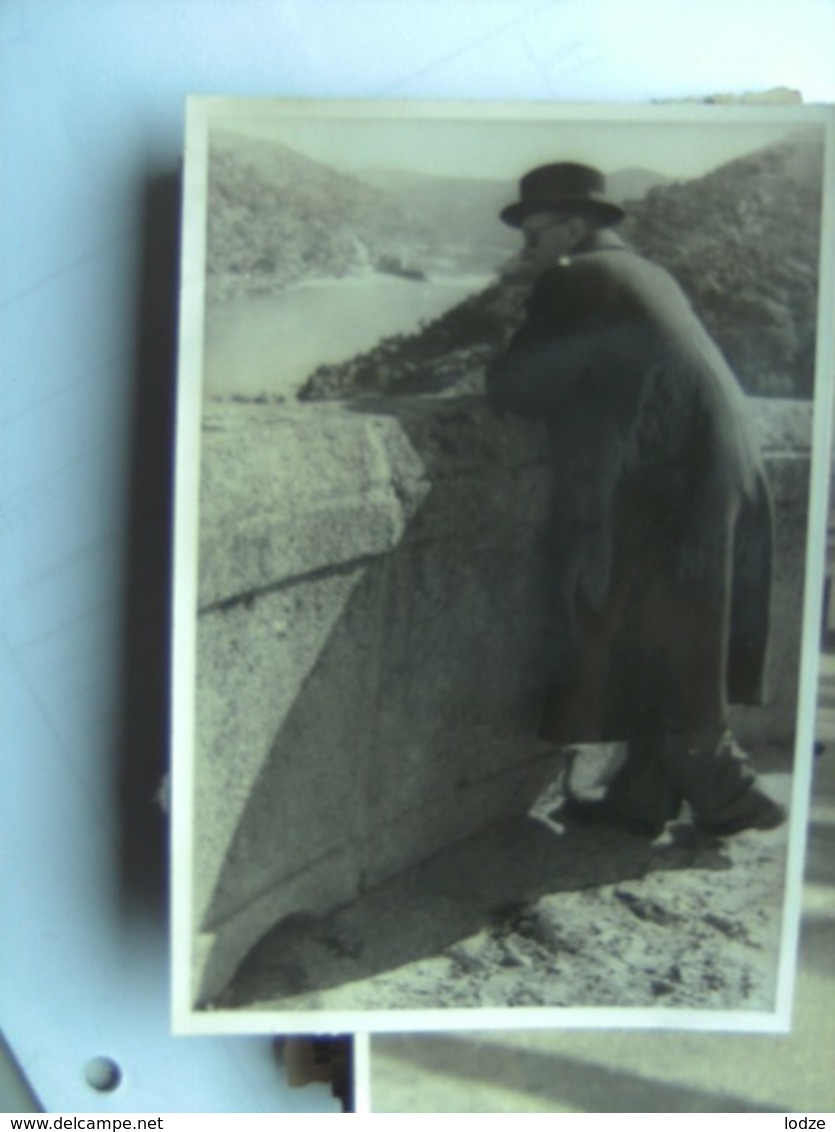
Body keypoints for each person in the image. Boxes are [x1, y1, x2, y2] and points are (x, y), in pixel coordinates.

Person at [485, 161, 786, 839]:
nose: (525, 251)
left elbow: (516, 388)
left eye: (533, 235)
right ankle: (643, 794)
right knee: (665, 635)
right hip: (713, 471)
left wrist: (494, 349)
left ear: (569, 226)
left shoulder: (578, 276)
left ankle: (726, 788)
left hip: (673, 483)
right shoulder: (646, 272)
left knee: (656, 635)